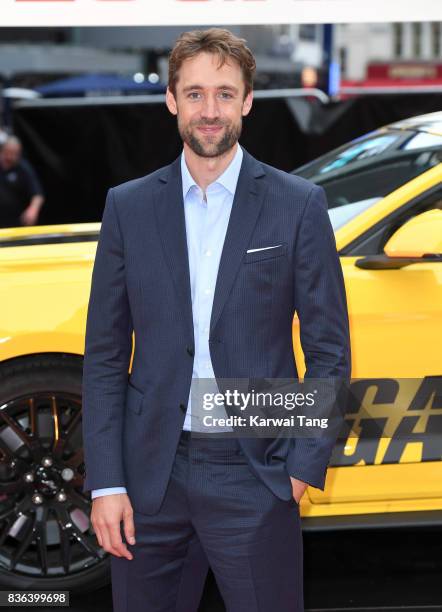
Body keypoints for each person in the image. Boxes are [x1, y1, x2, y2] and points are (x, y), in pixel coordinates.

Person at [81, 28, 351, 612]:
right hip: (149, 473)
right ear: (172, 100)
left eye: (226, 94)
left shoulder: (297, 204)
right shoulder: (127, 207)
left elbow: (329, 349)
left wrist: (300, 466)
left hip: (254, 468)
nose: (210, 111)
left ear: (248, 101)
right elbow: (104, 354)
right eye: (196, 93)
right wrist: (106, 482)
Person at [0, 135, 45, 228]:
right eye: (7, 153)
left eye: (13, 154)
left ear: (19, 154)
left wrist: (33, 210)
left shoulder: (23, 168)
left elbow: (38, 194)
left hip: (16, 221)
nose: (9, 157)